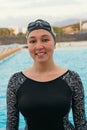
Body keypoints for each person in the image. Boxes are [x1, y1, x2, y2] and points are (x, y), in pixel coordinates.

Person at [6, 19, 87, 130]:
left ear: (54, 43)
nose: (39, 46)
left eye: (45, 40)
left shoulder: (72, 78)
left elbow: (81, 124)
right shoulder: (16, 81)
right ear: (28, 45)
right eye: (33, 41)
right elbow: (11, 126)